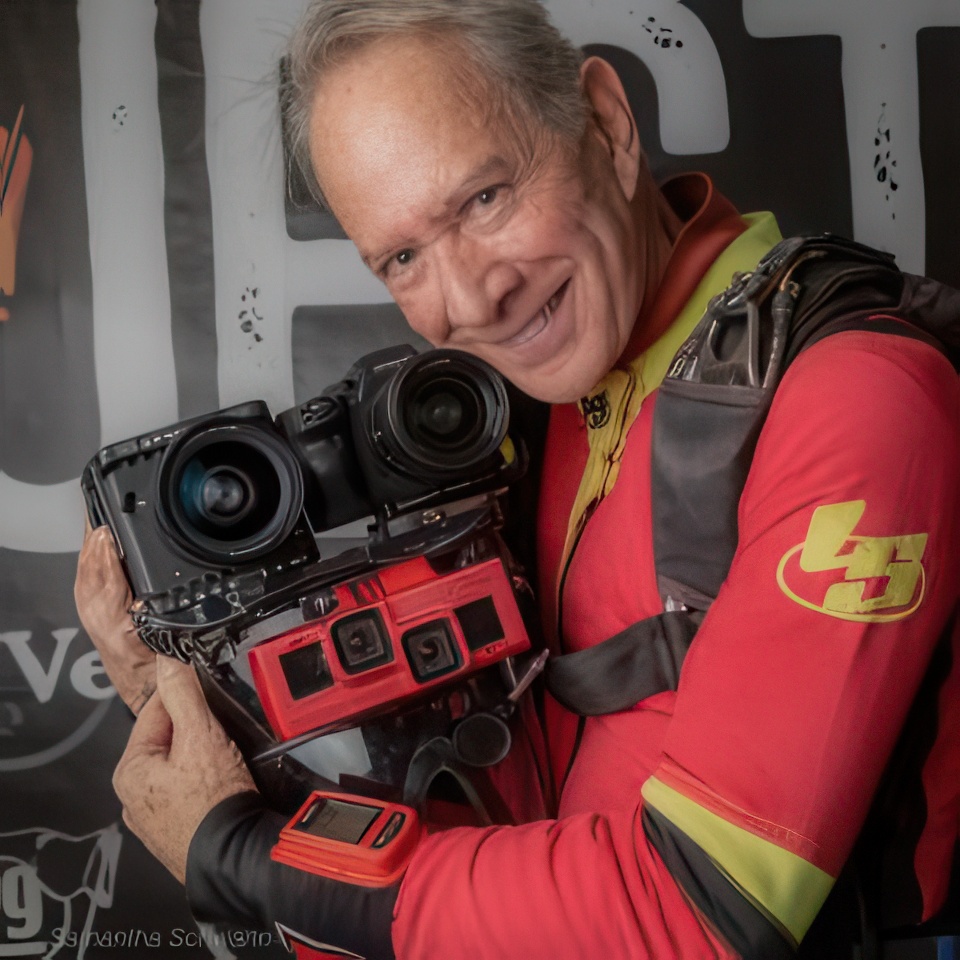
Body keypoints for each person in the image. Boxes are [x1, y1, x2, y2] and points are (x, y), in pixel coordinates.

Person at [74, 1, 960, 957]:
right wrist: (185, 688)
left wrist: (239, 857)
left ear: (608, 127)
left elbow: (703, 914)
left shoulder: (852, 393)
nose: (468, 301)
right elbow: (501, 813)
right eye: (403, 257)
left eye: (485, 199)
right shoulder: (544, 403)